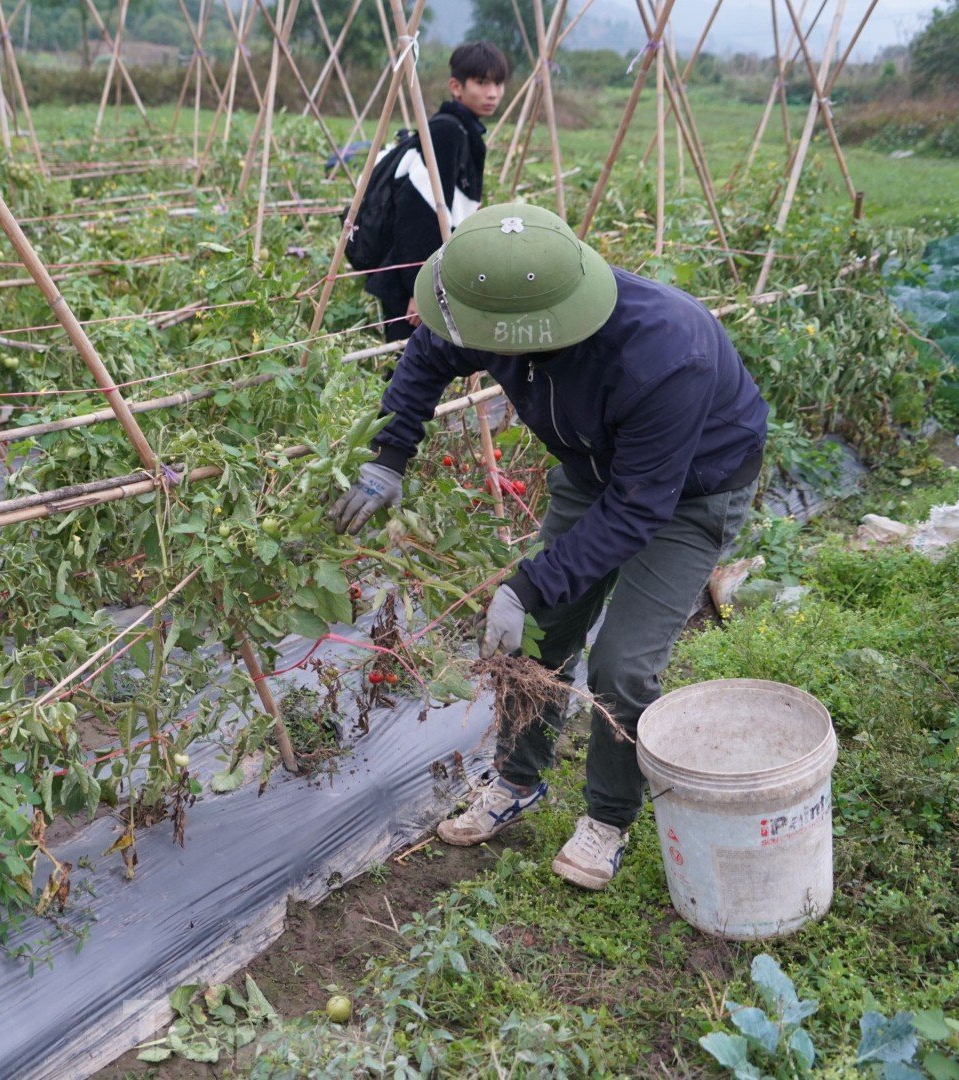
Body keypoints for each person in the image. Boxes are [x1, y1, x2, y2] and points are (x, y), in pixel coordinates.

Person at [328, 204, 768, 891]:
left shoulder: (663, 355)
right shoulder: (495, 314)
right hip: (595, 472)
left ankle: (608, 820)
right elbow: (428, 354)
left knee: (623, 663)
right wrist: (389, 456)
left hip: (688, 491)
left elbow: (639, 506)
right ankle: (514, 779)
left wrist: (526, 581)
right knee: (537, 637)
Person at [365, 41, 507, 344]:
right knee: (407, 364)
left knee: (418, 362)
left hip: (431, 272)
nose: (492, 92)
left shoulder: (465, 132)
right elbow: (419, 217)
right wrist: (421, 291)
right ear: (456, 86)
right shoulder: (447, 133)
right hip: (413, 277)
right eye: (481, 83)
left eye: (498, 83)